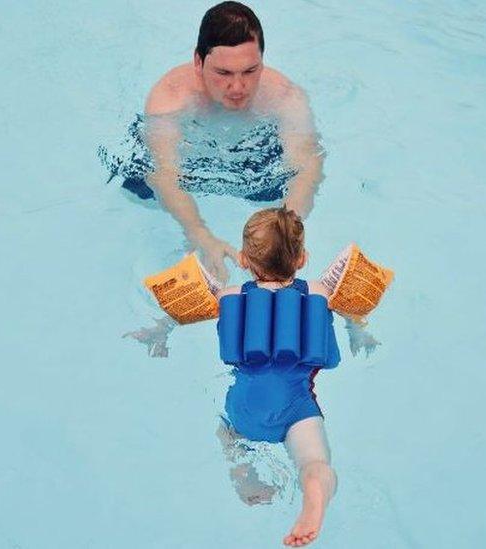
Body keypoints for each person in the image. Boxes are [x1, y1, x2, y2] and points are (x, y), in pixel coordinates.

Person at [143, 2, 324, 284]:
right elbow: (164, 176)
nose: (238, 87)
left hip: (257, 156)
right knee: (142, 192)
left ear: (262, 61)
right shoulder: (170, 100)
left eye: (250, 71)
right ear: (198, 62)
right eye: (224, 73)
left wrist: (287, 236)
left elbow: (307, 166)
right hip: (193, 161)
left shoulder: (285, 98)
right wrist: (201, 236)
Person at [216, 207, 338, 547]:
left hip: (246, 409)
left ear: (242, 260)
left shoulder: (228, 298)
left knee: (228, 436)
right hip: (297, 408)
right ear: (302, 258)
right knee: (314, 462)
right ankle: (313, 495)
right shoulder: (317, 294)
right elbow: (329, 356)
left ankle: (248, 483)